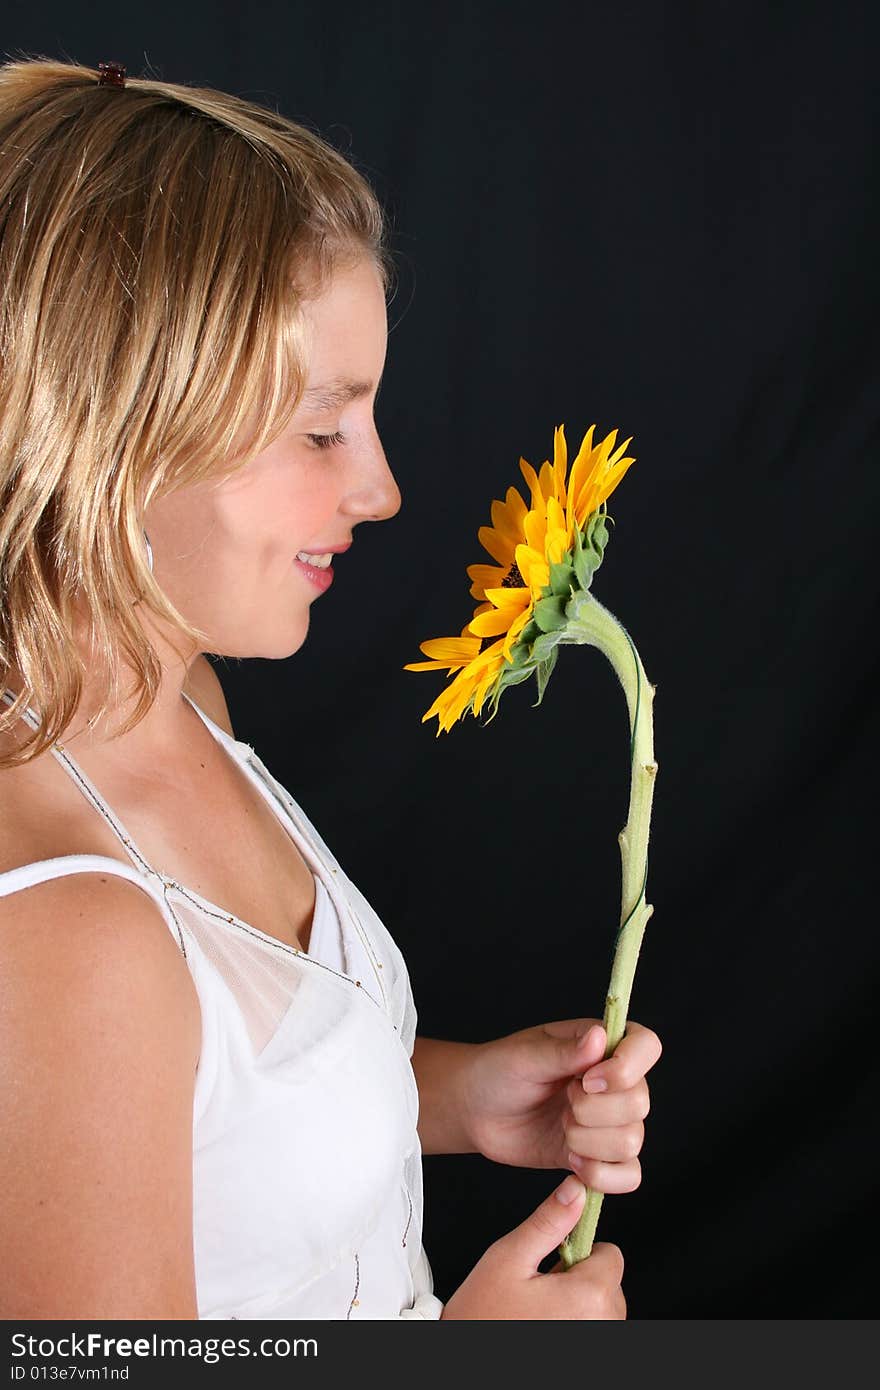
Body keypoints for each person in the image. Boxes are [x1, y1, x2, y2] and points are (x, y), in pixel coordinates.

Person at [0, 56, 662, 1321]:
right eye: (320, 427)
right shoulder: (62, 939)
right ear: (110, 423)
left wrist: (455, 1096)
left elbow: (213, 1122)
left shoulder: (179, 697)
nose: (379, 490)